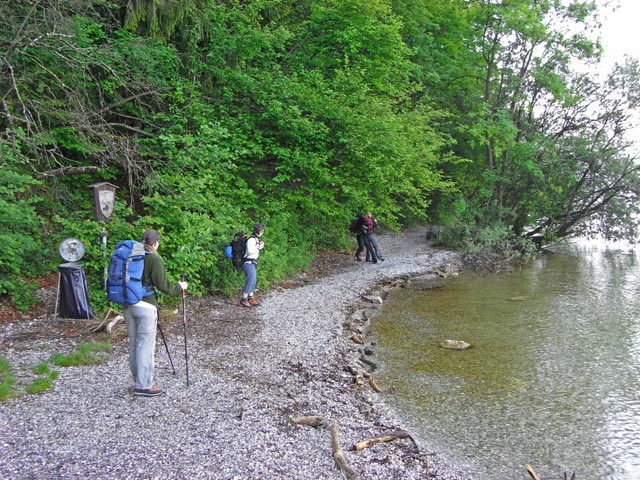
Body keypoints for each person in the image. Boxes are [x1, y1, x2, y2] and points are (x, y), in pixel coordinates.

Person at [123, 229, 188, 397]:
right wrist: (179, 288)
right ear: (155, 243)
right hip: (146, 306)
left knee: (134, 344)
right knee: (145, 345)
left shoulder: (131, 256)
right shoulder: (154, 259)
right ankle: (144, 385)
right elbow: (164, 287)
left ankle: (138, 380)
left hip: (128, 303)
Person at [240, 223, 265, 307]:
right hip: (248, 263)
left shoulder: (255, 239)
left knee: (253, 281)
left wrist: (259, 245)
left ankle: (250, 298)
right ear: (260, 231)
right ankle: (244, 299)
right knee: (250, 281)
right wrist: (259, 247)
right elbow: (250, 251)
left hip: (252, 263)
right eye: (262, 231)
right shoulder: (251, 240)